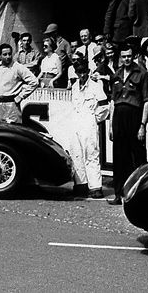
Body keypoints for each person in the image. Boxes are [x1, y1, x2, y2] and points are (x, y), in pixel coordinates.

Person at [107, 43, 148, 205]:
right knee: (119, 157)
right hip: (119, 118)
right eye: (123, 56)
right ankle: (119, 194)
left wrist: (142, 125)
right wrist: (111, 125)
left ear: (133, 56)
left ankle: (140, 195)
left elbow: (146, 102)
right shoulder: (116, 74)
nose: (126, 59)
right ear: (120, 57)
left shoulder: (142, 74)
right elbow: (113, 102)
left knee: (137, 157)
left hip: (134, 117)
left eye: (129, 56)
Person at [68, 61, 107, 199]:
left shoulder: (96, 86)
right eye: (79, 72)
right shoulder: (74, 87)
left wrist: (94, 118)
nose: (82, 75)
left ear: (88, 71)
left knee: (91, 154)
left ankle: (95, 187)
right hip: (76, 123)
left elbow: (104, 106)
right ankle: (81, 184)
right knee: (76, 154)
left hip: (89, 123)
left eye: (84, 71)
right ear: (76, 73)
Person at [0, 43, 38, 123]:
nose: (8, 56)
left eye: (9, 54)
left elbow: (34, 82)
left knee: (11, 129)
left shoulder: (18, 67)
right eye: (5, 54)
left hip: (11, 105)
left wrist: (21, 96)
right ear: (0, 56)